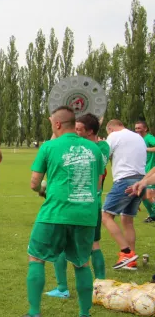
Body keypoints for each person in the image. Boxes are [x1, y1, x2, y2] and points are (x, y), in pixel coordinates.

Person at [12, 106, 104, 317]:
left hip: (55, 212)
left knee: (36, 258)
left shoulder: (49, 146)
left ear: (57, 124)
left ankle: (34, 314)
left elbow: (35, 183)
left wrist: (43, 190)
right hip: (86, 214)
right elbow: (97, 182)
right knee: (82, 263)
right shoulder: (94, 149)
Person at [45, 113, 109, 298]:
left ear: (89, 132)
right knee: (94, 245)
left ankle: (62, 288)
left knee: (61, 246)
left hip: (70, 204)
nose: (74, 132)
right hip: (93, 203)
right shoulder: (102, 147)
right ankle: (101, 285)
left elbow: (54, 149)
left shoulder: (80, 150)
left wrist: (55, 128)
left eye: (79, 129)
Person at [101, 119, 146, 270]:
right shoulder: (137, 137)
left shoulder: (114, 136)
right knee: (127, 220)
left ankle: (126, 252)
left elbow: (103, 157)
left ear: (110, 129)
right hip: (141, 180)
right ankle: (131, 260)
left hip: (125, 180)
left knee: (106, 216)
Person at [134, 120, 155, 223]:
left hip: (152, 171)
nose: (137, 130)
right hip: (143, 171)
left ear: (145, 128)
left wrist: (146, 149)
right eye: (136, 128)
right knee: (143, 196)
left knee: (149, 195)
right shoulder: (139, 140)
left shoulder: (149, 138)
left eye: (139, 128)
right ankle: (152, 215)